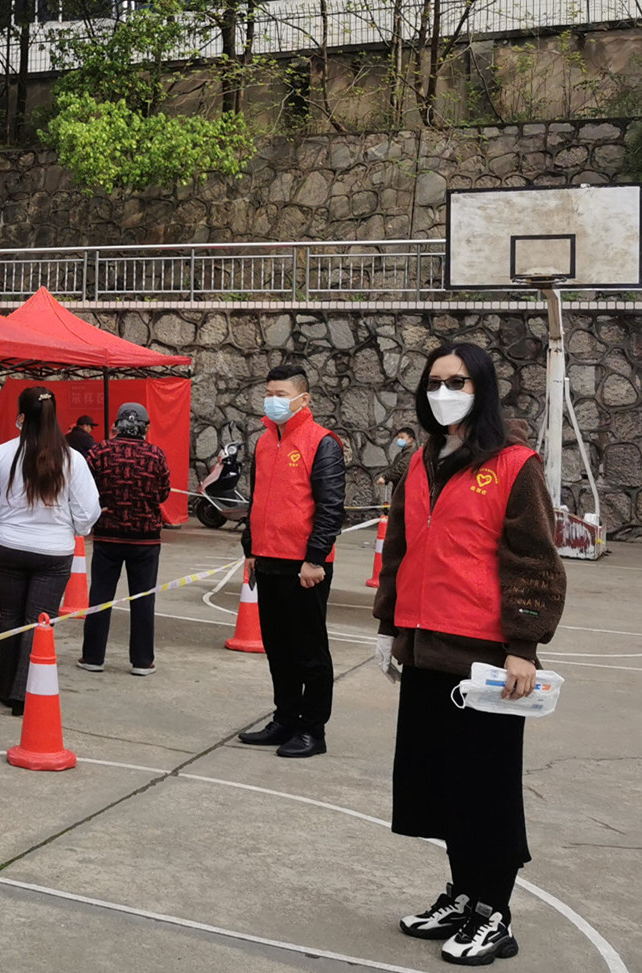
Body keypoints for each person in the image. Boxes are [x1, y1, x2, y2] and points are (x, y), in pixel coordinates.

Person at [372, 343, 565, 965]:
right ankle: (463, 895)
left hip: (485, 658)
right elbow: (400, 548)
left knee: (486, 791)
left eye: (457, 382)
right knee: (441, 786)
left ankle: (493, 913)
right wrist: (389, 627)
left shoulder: (513, 464)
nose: (443, 392)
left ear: (482, 388)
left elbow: (534, 559)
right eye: (434, 382)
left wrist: (522, 647)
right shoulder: (422, 460)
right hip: (425, 650)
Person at [239, 362, 346, 759]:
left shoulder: (322, 443)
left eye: (281, 395)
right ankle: (284, 718)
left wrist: (315, 558)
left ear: (303, 399)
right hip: (268, 559)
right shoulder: (264, 442)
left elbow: (330, 507)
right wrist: (250, 549)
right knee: (278, 648)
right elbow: (256, 500)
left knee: (309, 651)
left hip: (304, 566)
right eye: (269, 394)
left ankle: (312, 729)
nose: (273, 401)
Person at [0, 385, 100, 715]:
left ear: (21, 417)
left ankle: (5, 688)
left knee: (10, 617)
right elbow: (88, 511)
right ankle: (23, 694)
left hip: (11, 546)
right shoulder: (71, 460)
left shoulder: (1, 455)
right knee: (39, 621)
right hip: (54, 552)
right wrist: (74, 529)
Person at [78, 403, 172, 676]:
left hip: (108, 534)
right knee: (143, 599)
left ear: (117, 425)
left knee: (100, 596)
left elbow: (85, 488)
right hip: (145, 538)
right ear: (145, 427)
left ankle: (93, 657)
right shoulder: (156, 454)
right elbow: (163, 493)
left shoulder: (99, 452)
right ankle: (142, 661)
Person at [376, 426, 417, 499]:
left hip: (406, 491)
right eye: (398, 438)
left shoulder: (411, 453)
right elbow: (394, 468)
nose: (399, 440)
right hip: (401, 489)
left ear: (410, 439)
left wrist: (385, 477)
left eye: (402, 437)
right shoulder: (401, 454)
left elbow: (401, 468)